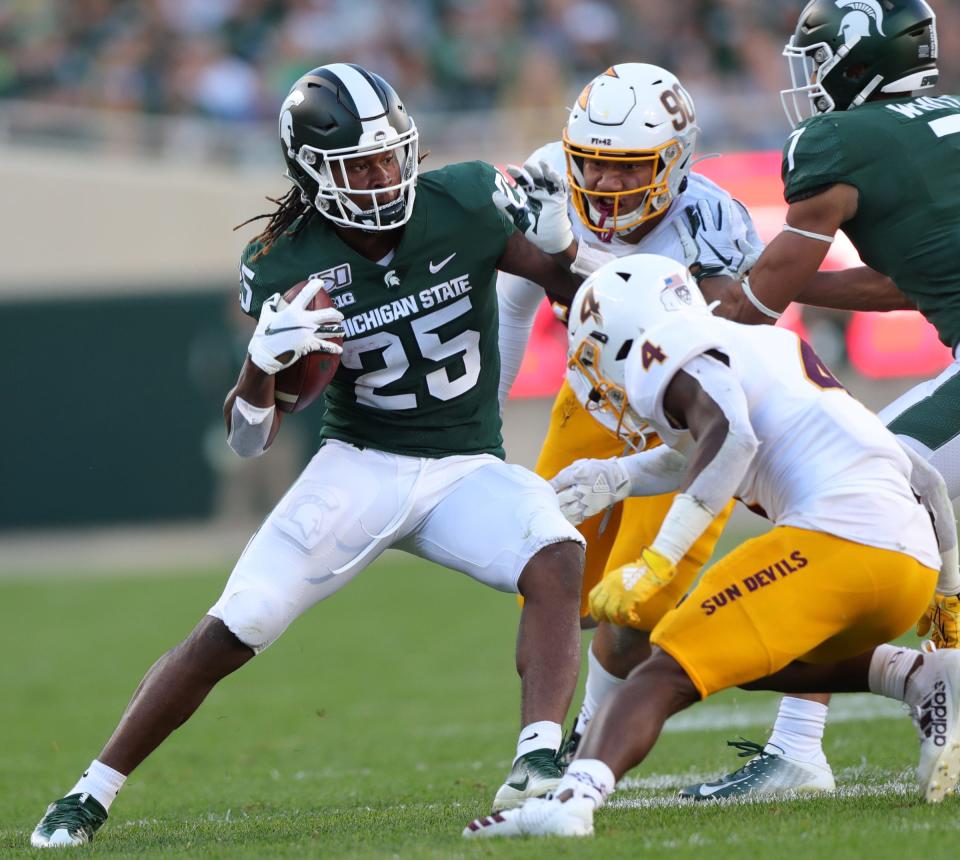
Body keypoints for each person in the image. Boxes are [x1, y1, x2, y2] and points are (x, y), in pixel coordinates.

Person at [30, 63, 590, 849]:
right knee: (239, 620)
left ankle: (535, 761)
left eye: (392, 156)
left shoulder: (463, 200)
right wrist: (261, 365)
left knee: (557, 553)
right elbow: (248, 436)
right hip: (359, 461)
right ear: (309, 172)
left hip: (465, 463)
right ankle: (89, 791)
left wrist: (563, 239)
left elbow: (566, 288)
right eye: (359, 165)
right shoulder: (284, 263)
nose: (382, 176)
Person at [462, 252, 960, 839]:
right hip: (905, 565)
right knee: (743, 658)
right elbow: (922, 478)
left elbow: (731, 439)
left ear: (630, 333)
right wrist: (948, 594)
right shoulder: (768, 349)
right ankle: (923, 675)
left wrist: (656, 563)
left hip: (838, 545)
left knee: (662, 662)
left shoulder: (665, 347)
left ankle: (571, 800)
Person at [673, 0, 960, 799]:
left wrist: (680, 326)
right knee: (860, 498)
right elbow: (915, 279)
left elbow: (761, 302)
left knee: (844, 496)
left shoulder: (840, 141)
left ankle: (811, 744)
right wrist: (814, 289)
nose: (808, 79)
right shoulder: (948, 119)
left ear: (857, 57)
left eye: (818, 56)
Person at [494, 62, 762, 773]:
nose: (607, 185)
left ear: (674, 162)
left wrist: (574, 252)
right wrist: (481, 429)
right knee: (547, 581)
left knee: (634, 609)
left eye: (629, 168)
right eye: (595, 166)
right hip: (589, 398)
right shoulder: (550, 179)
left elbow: (717, 365)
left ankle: (583, 738)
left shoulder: (711, 224)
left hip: (674, 424)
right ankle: (541, 740)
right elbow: (515, 302)